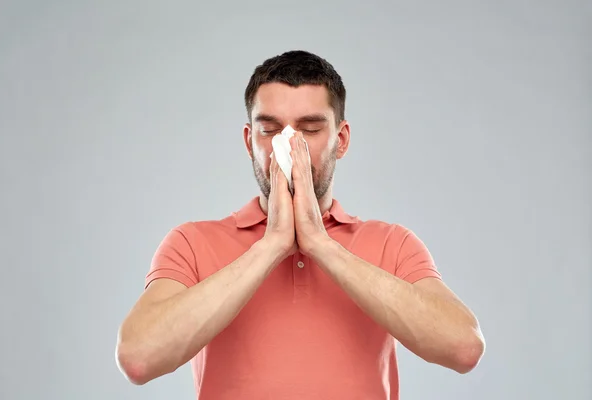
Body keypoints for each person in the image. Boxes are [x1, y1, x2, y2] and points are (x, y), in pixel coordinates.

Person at [115, 50, 485, 399]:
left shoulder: (393, 244)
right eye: (270, 129)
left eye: (309, 129)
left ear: (340, 140)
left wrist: (321, 244)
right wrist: (272, 244)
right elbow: (139, 358)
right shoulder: (191, 243)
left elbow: (463, 347)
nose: (288, 145)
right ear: (249, 141)